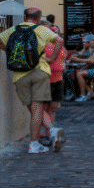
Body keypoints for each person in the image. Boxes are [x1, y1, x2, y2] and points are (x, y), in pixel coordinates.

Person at [0, 7, 65, 154]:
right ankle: (37, 142)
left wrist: (7, 47)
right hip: (39, 72)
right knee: (38, 109)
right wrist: (52, 58)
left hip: (20, 75)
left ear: (24, 17)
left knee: (34, 110)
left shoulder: (13, 30)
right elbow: (59, 40)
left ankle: (47, 133)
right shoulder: (41, 30)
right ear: (37, 19)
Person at [39, 19, 67, 149]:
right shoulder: (39, 43)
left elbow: (64, 55)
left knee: (53, 108)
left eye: (48, 29)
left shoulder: (56, 42)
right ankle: (41, 135)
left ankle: (50, 134)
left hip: (58, 78)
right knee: (42, 108)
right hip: (45, 79)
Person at [71, 34, 94, 102]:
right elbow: (89, 62)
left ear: (93, 41)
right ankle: (91, 92)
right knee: (78, 73)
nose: (87, 44)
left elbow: (92, 61)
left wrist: (77, 59)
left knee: (79, 74)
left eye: (88, 42)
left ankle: (83, 96)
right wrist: (83, 68)